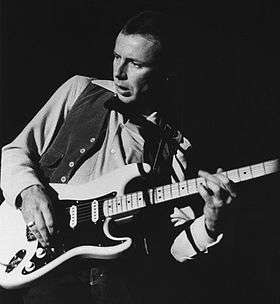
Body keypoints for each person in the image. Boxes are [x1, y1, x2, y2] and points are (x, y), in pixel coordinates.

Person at [0, 11, 236, 304]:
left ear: (164, 72)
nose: (119, 72)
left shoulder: (175, 146)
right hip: (48, 271)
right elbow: (15, 151)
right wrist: (28, 190)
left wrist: (212, 222)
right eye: (116, 57)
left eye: (135, 64)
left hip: (116, 286)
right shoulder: (79, 90)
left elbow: (172, 247)